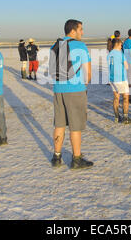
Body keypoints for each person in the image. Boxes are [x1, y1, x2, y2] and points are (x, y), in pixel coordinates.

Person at [49, 19, 93, 169]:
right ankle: (76, 159)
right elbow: (88, 73)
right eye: (81, 29)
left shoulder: (55, 46)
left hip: (58, 90)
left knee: (59, 124)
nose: (82, 32)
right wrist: (85, 84)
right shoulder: (80, 46)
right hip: (75, 90)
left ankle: (56, 157)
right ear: (73, 31)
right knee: (75, 126)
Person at [107, 38, 131, 124]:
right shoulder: (120, 54)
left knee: (116, 98)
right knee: (126, 98)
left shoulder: (109, 54)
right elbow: (127, 67)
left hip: (112, 79)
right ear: (118, 44)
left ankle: (116, 117)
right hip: (121, 79)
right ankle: (125, 118)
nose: (121, 46)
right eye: (121, 45)